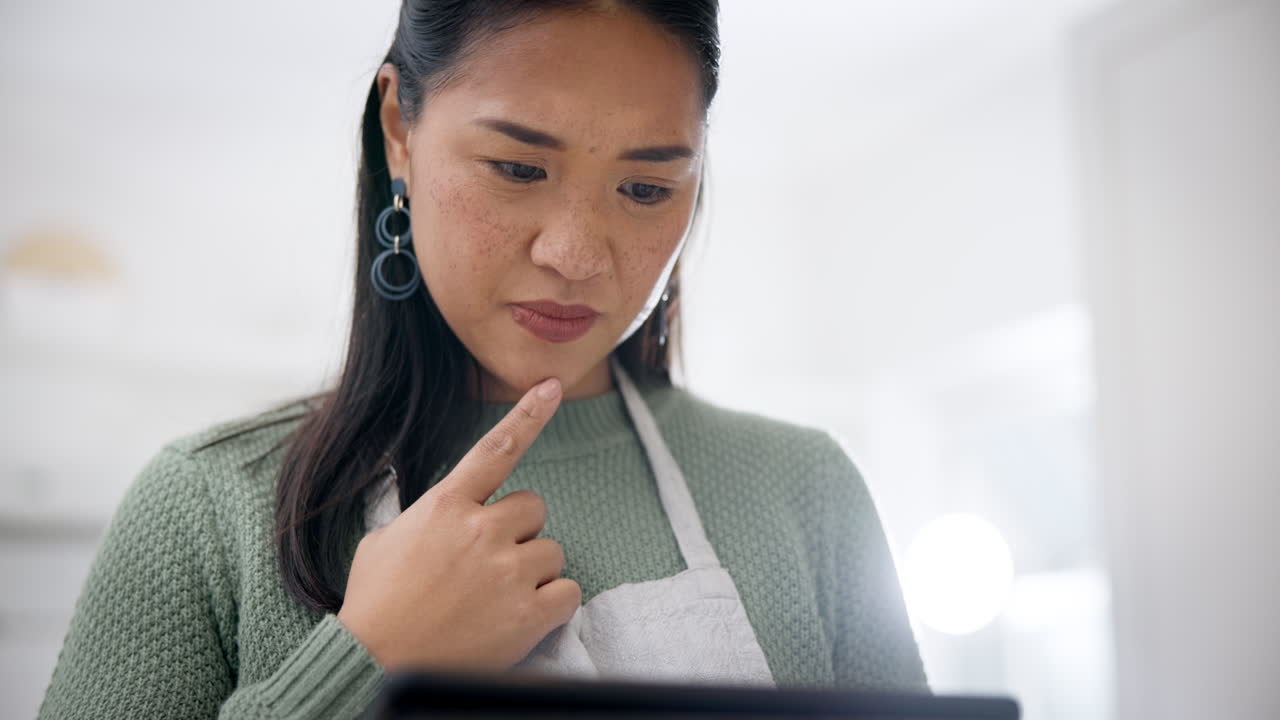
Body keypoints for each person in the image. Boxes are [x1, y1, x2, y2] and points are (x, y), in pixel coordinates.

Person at [38, 1, 928, 717]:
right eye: (516, 168)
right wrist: (363, 664)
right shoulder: (208, 504)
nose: (578, 254)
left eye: (647, 188)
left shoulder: (805, 491)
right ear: (400, 129)